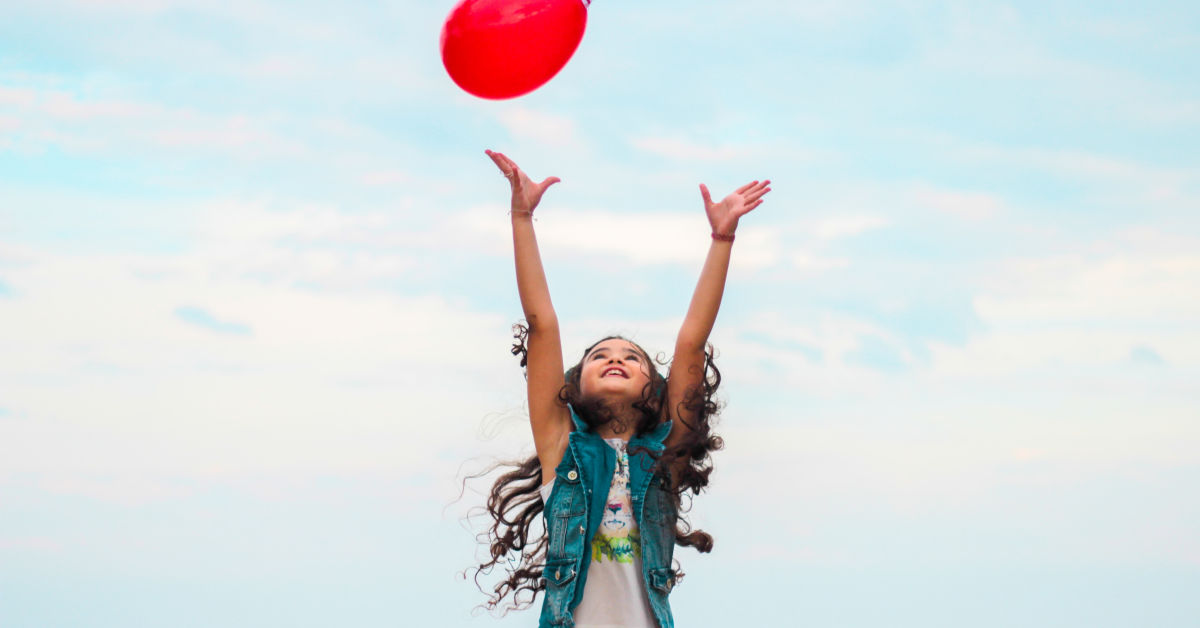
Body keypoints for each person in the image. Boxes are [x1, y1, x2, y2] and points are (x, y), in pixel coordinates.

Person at [472, 149, 770, 628]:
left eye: (632, 357)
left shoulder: (664, 456)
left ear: (655, 390)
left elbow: (692, 340)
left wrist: (722, 237)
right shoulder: (560, 451)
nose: (616, 358)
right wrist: (522, 216)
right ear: (575, 386)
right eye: (600, 356)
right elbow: (542, 325)